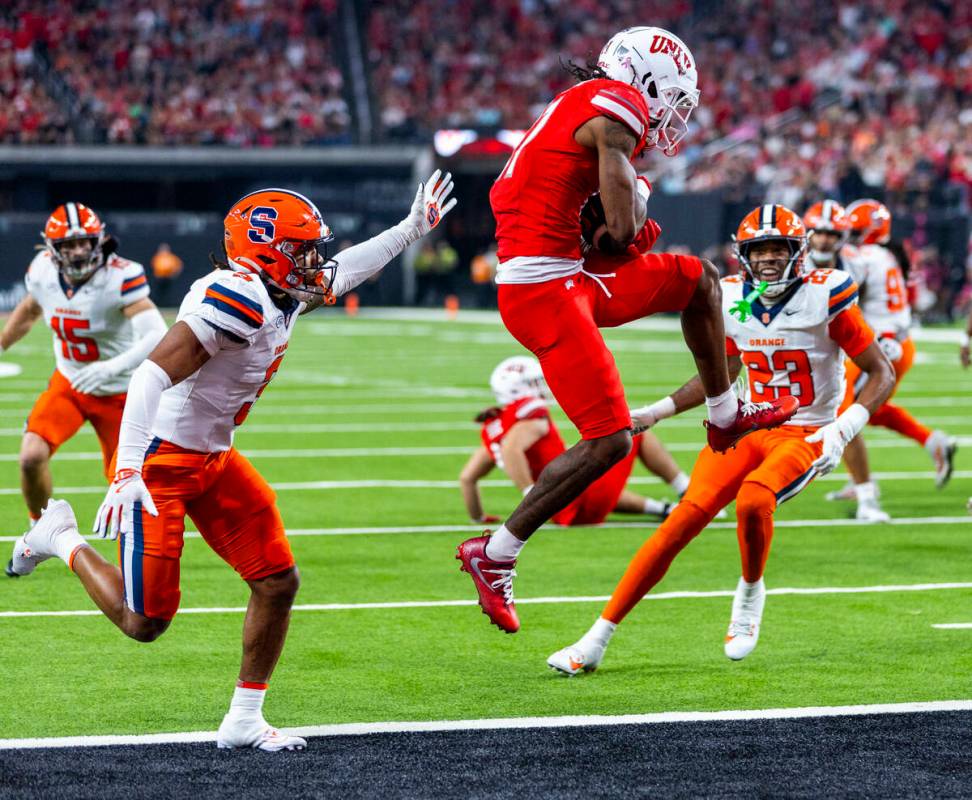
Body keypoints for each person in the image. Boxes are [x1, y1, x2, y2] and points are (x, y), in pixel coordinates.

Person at [8, 174, 456, 750]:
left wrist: (411, 228)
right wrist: (125, 471)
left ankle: (244, 717)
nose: (315, 261)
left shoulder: (283, 287)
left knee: (277, 581)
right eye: (302, 250)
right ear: (265, 252)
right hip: (160, 462)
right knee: (144, 622)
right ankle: (59, 537)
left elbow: (348, 268)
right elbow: (150, 374)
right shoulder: (236, 295)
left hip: (214, 457)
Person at [458, 27, 796, 634]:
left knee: (699, 279)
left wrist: (628, 216)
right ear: (645, 79)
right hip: (546, 288)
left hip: (566, 275)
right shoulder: (617, 105)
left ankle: (724, 411)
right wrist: (636, 203)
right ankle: (496, 553)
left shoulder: (582, 106)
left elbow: (601, 234)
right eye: (675, 96)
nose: (674, 112)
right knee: (610, 439)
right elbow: (618, 233)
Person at [547, 204, 894, 674]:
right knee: (680, 521)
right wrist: (657, 411)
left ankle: (750, 593)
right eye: (760, 249)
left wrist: (842, 428)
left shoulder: (824, 295)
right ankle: (596, 637)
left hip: (808, 431)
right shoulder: (735, 299)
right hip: (750, 423)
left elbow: (881, 371)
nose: (770, 258)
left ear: (799, 251)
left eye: (778, 248)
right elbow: (724, 372)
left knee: (754, 501)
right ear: (742, 254)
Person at [0, 203, 166, 544]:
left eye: (85, 243)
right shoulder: (43, 271)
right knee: (31, 457)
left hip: (121, 392)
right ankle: (39, 530)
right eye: (68, 245)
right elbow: (30, 310)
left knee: (127, 482)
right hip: (71, 383)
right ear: (52, 248)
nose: (78, 251)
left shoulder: (120, 275)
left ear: (98, 241)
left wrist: (111, 367)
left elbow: (156, 335)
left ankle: (140, 557)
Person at [818, 199, 956, 518]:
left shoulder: (867, 256)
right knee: (866, 412)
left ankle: (866, 494)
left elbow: (835, 280)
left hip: (884, 345)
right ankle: (931, 441)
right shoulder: (889, 254)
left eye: (850, 231)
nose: (845, 236)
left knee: (844, 413)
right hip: (891, 342)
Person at [460, 356, 688, 526]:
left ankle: (664, 509)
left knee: (593, 472)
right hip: (573, 500)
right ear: (519, 389)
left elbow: (467, 478)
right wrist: (530, 496)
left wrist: (478, 518)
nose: (542, 386)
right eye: (535, 382)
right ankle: (686, 490)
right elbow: (511, 449)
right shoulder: (531, 412)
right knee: (632, 430)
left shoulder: (495, 424)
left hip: (562, 510)